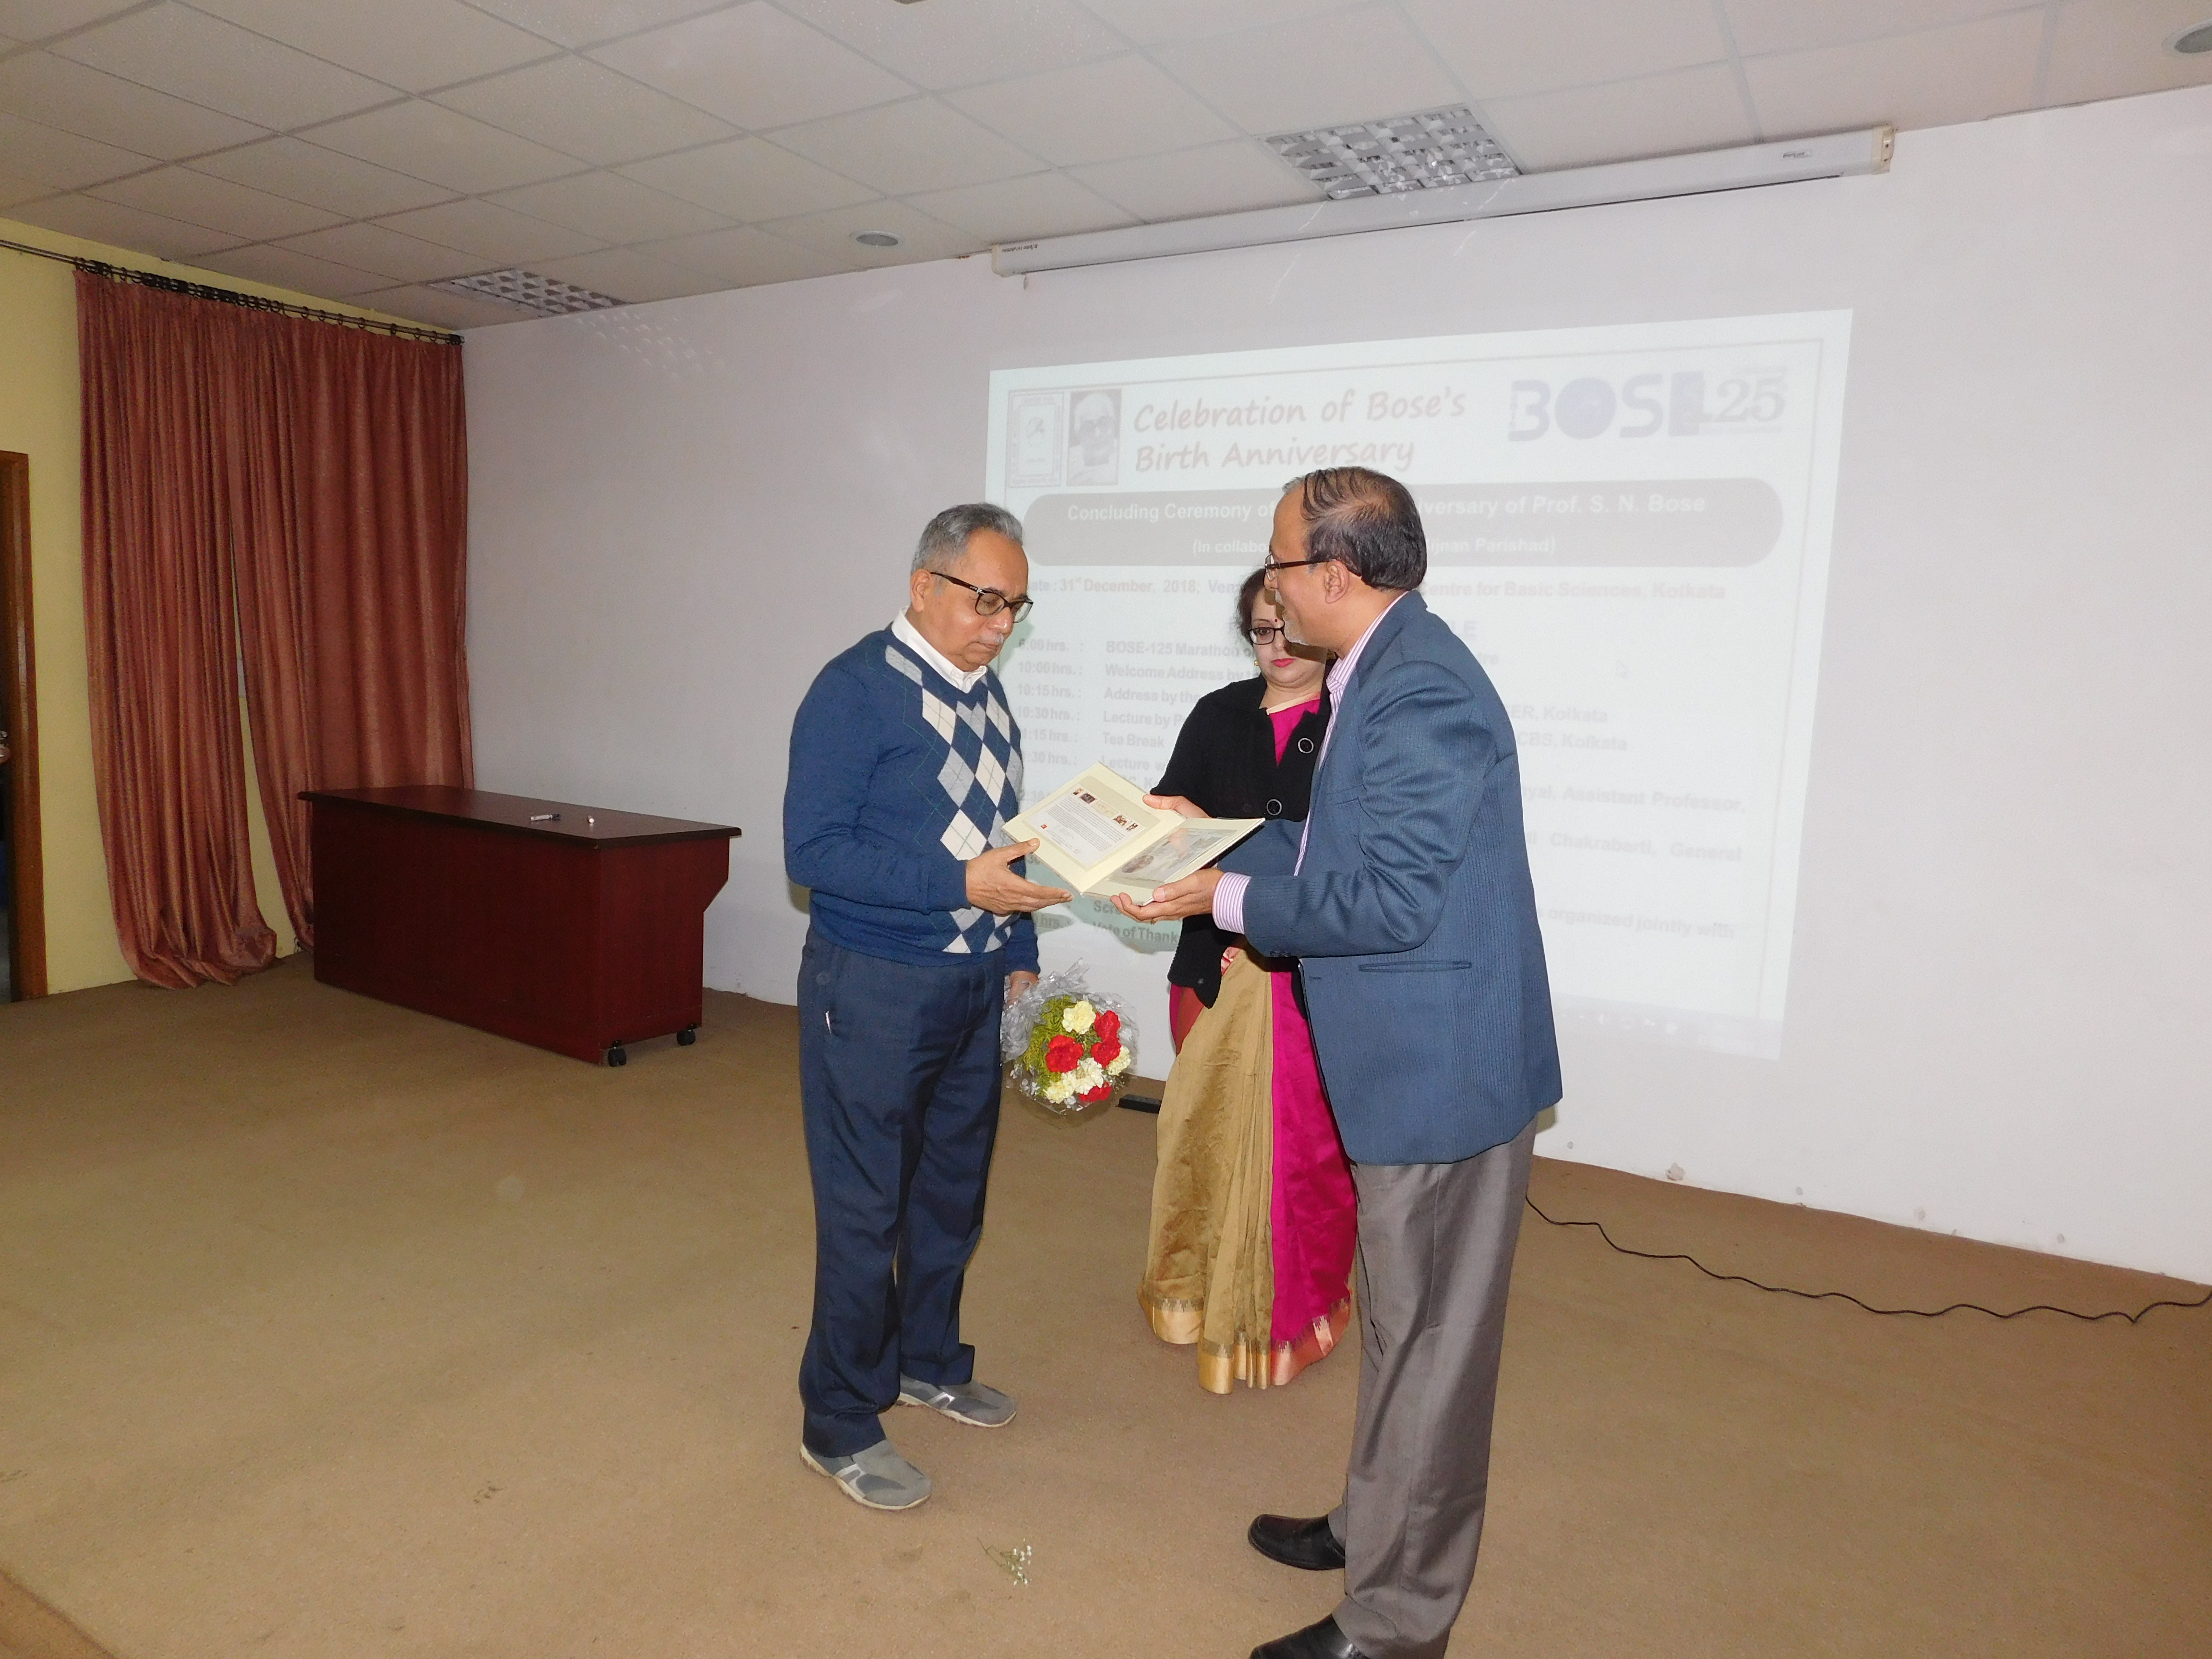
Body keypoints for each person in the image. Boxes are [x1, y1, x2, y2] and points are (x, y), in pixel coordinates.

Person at [1115, 469, 1561, 1659]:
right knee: (1404, 1329)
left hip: (1440, 1078)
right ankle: (1374, 1524)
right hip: (1413, 1063)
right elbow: (1343, 839)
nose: (1268, 584)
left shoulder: (1420, 689)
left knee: (1434, 1355)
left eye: (1278, 562)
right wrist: (1212, 838)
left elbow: (1391, 900)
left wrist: (1224, 895)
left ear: (1334, 574)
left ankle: (1398, 1624)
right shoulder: (1384, 665)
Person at [784, 503, 1072, 1513]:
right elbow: (813, 853)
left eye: (1015, 606)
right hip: (873, 986)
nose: (1000, 624)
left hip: (972, 985)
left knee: (952, 1195)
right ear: (924, 586)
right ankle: (838, 1419)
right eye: (985, 599)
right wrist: (959, 886)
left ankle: (926, 1360)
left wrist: (1019, 955)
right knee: (865, 1209)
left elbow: (1007, 840)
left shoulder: (988, 696)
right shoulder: (854, 689)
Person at [1139, 569, 1357, 1394]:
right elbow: (1170, 829)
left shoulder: (1350, 722)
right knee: (1200, 1144)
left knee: (1302, 1165)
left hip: (1304, 983)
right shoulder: (1217, 714)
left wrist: (1253, 910)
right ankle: (1197, 1295)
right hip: (1208, 965)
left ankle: (1288, 1316)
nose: (1278, 648)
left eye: (1289, 630)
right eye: (1262, 633)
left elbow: (1338, 864)